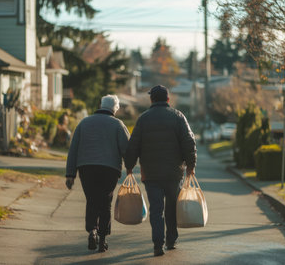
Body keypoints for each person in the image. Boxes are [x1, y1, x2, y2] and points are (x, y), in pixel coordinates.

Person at [125, 85, 197, 257]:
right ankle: (171, 239)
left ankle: (158, 243)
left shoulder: (143, 119)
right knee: (171, 207)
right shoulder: (178, 117)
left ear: (151, 99)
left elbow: (133, 145)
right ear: (168, 99)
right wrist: (191, 166)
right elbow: (189, 142)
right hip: (174, 173)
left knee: (156, 209)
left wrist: (129, 165)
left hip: (151, 173)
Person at [65, 95, 130, 252]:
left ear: (101, 105)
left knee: (92, 200)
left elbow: (73, 149)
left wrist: (70, 174)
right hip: (109, 169)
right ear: (115, 108)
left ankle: (92, 230)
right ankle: (102, 239)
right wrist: (130, 168)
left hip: (86, 168)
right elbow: (127, 149)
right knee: (105, 202)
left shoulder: (84, 123)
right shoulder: (118, 125)